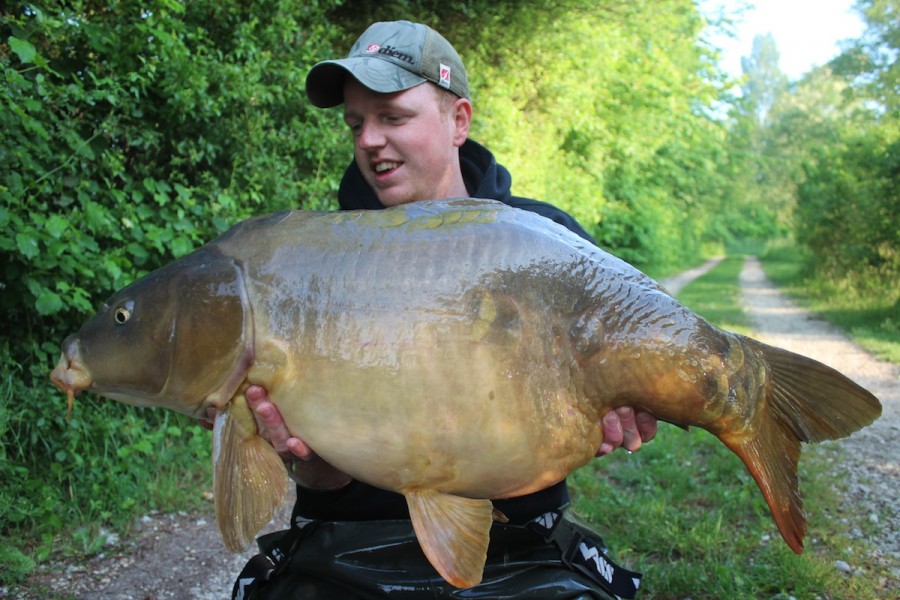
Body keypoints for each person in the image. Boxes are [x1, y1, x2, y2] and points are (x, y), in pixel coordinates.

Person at [229, 20, 658, 599]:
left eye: (392, 117)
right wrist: (301, 458)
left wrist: (621, 409)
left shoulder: (544, 240)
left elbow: (621, 381)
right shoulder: (308, 261)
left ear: (459, 121)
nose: (368, 140)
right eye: (356, 123)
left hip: (519, 537)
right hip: (348, 536)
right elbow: (323, 480)